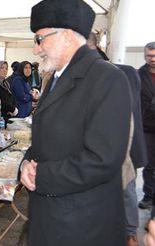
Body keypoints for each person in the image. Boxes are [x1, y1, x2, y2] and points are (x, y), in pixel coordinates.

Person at [19, 1, 132, 245]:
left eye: (40, 39)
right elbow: (46, 140)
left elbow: (104, 159)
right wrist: (26, 162)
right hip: (51, 219)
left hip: (81, 226)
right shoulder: (57, 78)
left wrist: (42, 175)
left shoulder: (107, 78)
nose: (36, 49)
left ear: (67, 36)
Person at [88, 31, 148, 246]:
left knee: (127, 190)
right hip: (99, 151)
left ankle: (130, 233)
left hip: (124, 146)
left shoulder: (125, 73)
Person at [139, 42, 155, 211]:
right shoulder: (139, 75)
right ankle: (148, 195)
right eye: (150, 56)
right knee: (149, 164)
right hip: (147, 126)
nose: (153, 59)